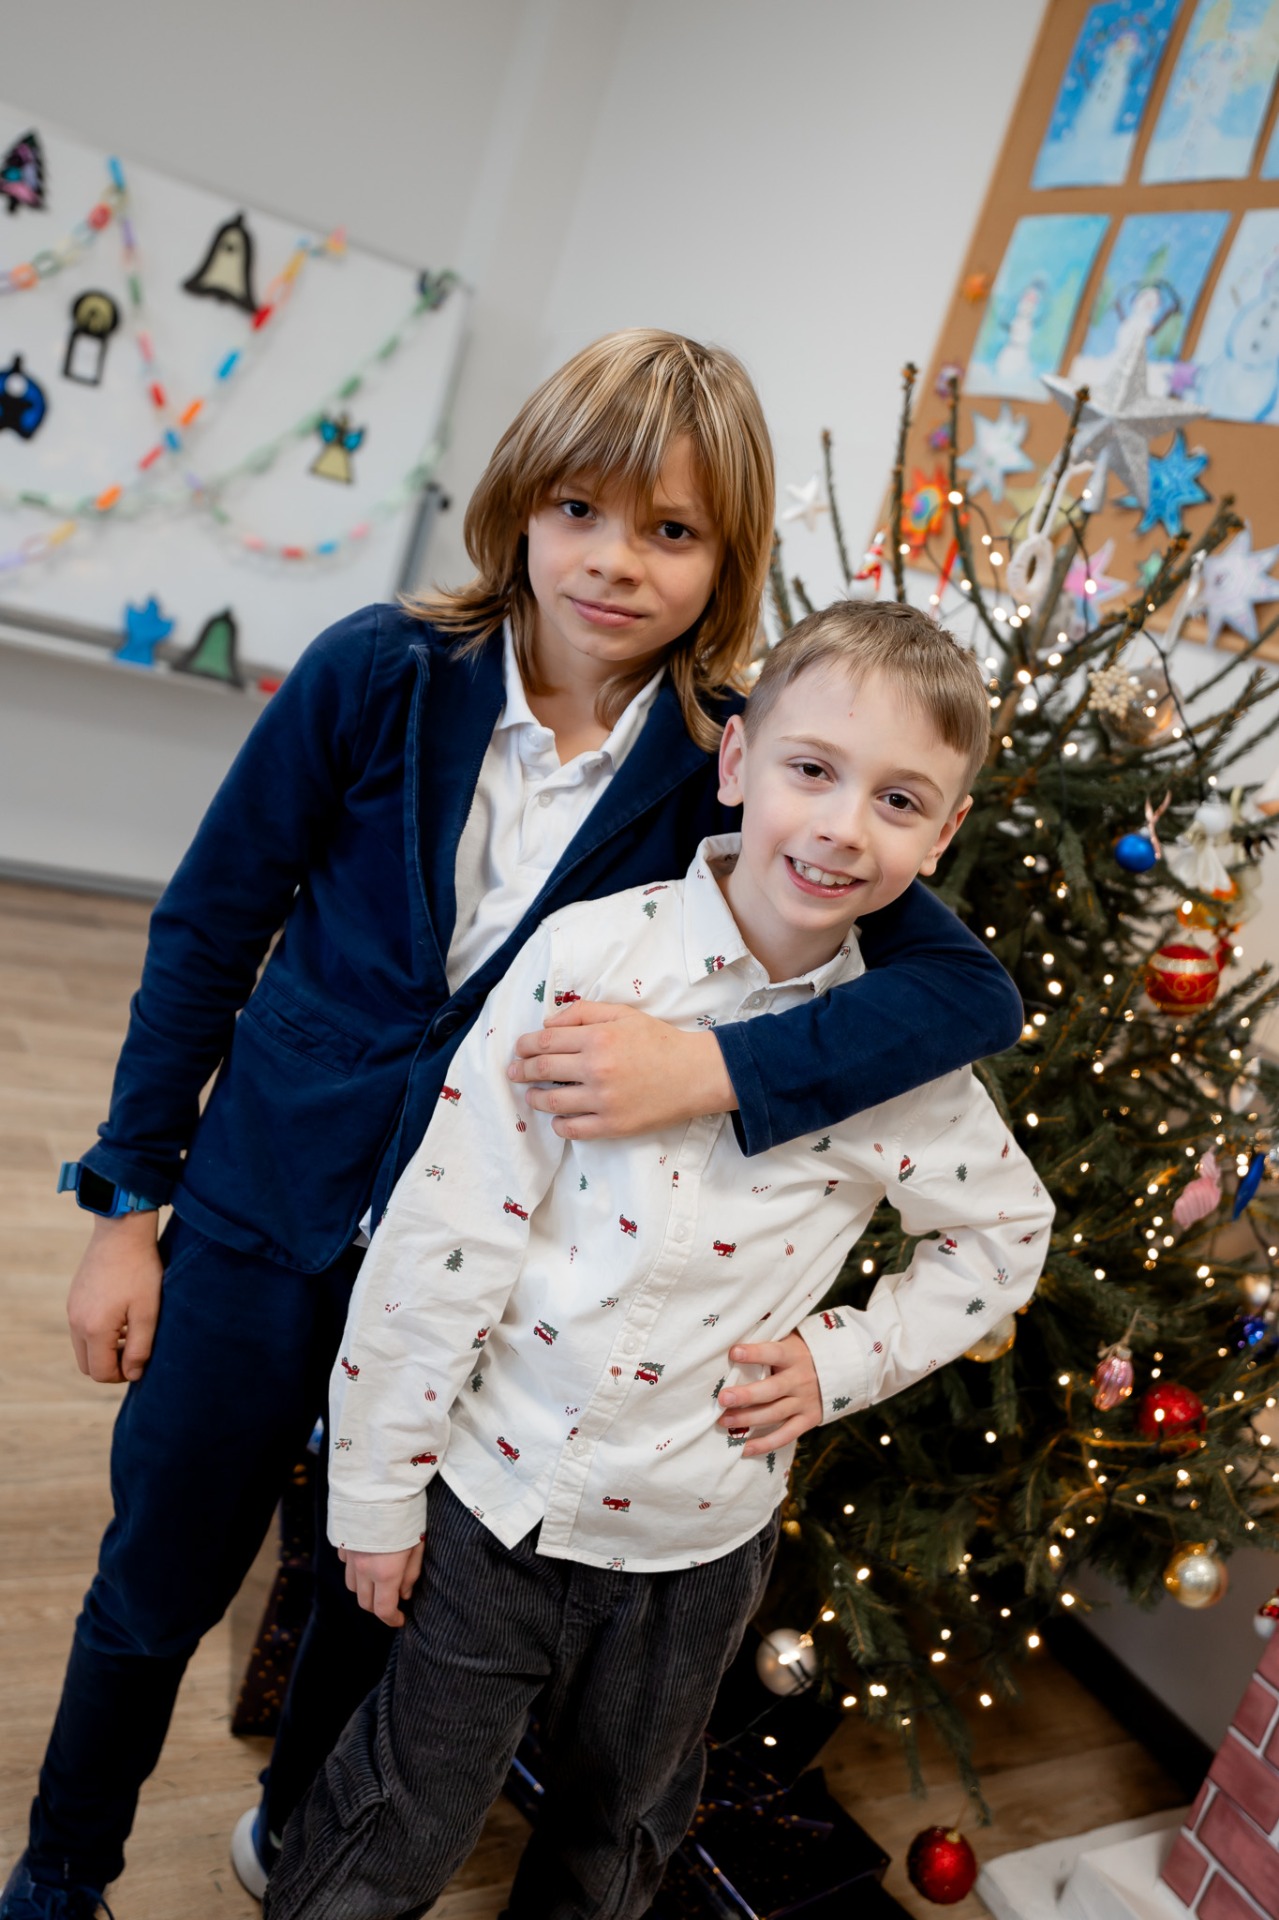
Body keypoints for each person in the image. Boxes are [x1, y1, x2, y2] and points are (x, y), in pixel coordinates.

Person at [2, 331, 1023, 1920]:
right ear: (520, 508)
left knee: (372, 1594)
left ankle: (298, 1837)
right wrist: (127, 1209)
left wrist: (714, 1072)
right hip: (265, 1212)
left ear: (725, 559)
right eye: (579, 511)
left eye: (671, 531)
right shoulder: (377, 672)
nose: (615, 561)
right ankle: (63, 1873)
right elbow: (207, 927)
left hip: (479, 1281)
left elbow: (965, 997)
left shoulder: (734, 762)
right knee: (160, 1574)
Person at [265, 600, 1054, 1920]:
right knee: (394, 1818)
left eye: (898, 800)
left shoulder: (903, 1060)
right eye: (813, 770)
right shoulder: (591, 961)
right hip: (490, 1502)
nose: (843, 827)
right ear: (737, 762)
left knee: (616, 1835)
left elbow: (1006, 1232)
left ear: (943, 834)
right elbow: (447, 1233)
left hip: (696, 1548)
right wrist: (378, 1488)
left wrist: (842, 1357)